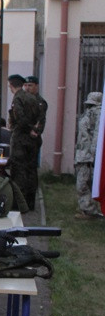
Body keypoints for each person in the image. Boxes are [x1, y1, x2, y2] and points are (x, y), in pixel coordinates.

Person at [6, 74, 41, 211]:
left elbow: (20, 118)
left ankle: (19, 205)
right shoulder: (32, 98)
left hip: (20, 138)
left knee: (18, 171)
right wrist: (34, 130)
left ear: (11, 85)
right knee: (31, 171)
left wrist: (27, 129)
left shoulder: (18, 98)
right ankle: (30, 202)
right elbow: (38, 117)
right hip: (32, 140)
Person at [74, 91, 104, 220]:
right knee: (86, 183)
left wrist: (93, 153)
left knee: (83, 184)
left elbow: (97, 135)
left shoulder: (96, 113)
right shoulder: (93, 112)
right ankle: (88, 209)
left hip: (87, 156)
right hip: (85, 154)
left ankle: (90, 210)